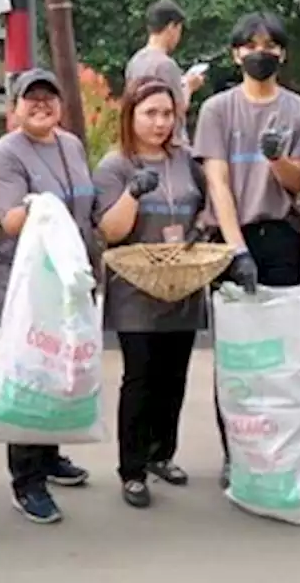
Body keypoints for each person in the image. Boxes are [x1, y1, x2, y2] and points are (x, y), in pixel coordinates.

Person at [193, 11, 300, 488]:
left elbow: (298, 183)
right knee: (234, 354)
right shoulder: (217, 110)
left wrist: (276, 158)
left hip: (281, 238)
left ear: (282, 53)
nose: (260, 53)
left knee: (279, 353)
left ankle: (278, 446)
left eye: (270, 45)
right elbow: (218, 182)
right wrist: (236, 249)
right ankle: (237, 451)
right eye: (250, 45)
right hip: (232, 238)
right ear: (235, 54)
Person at [0, 68, 96, 524]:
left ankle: (48, 455)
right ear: (16, 106)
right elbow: (9, 220)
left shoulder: (71, 146)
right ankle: (26, 480)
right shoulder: (4, 154)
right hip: (24, 283)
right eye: (32, 99)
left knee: (58, 367)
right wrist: (38, 205)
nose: (41, 105)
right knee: (29, 372)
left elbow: (87, 206)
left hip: (66, 282)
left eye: (49, 97)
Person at [92, 77, 208, 508]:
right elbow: (110, 230)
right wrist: (131, 194)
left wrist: (202, 228)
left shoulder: (185, 160)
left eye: (167, 114)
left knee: (174, 377)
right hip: (136, 291)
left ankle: (163, 453)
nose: (160, 123)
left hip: (182, 284)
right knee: (141, 377)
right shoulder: (114, 165)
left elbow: (206, 203)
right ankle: (133, 468)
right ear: (131, 115)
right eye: (150, 114)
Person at [125, 0, 205, 144]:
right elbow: (177, 108)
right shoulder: (166, 65)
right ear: (171, 27)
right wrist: (190, 87)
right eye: (179, 30)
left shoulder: (135, 61)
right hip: (170, 143)